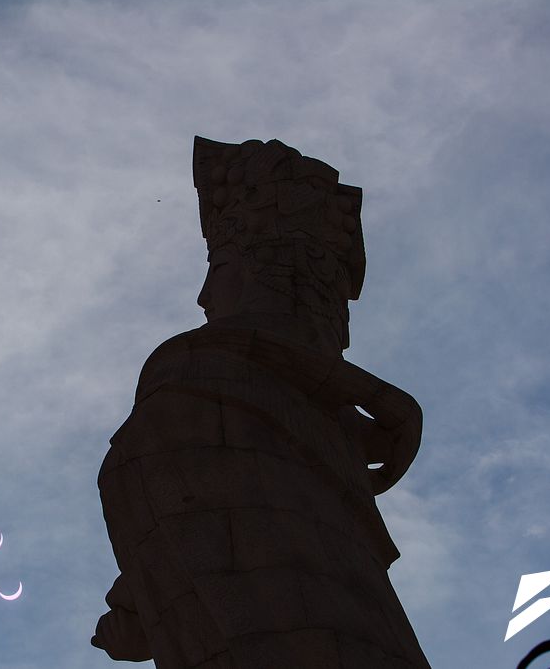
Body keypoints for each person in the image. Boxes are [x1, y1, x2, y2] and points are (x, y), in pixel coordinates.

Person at [93, 136, 430, 668]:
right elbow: (201, 510)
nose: (204, 297)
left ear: (274, 280)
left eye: (221, 270)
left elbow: (248, 514)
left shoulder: (216, 376)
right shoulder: (207, 377)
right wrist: (146, 601)